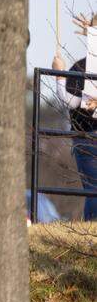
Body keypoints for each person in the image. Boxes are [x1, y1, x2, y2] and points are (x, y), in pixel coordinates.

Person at [52, 43, 97, 221]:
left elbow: (69, 102)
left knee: (93, 189)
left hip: (86, 135)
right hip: (87, 136)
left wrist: (59, 74)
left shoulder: (81, 67)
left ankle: (93, 230)